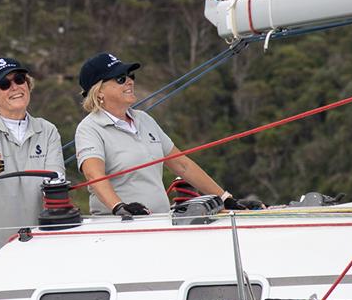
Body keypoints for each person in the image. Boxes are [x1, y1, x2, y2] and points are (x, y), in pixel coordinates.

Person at [75, 52, 262, 216]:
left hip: (159, 222)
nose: (130, 81)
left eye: (130, 75)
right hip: (118, 228)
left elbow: (182, 165)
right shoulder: (89, 129)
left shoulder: (144, 119)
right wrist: (119, 207)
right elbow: (94, 175)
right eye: (120, 79)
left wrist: (225, 198)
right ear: (99, 91)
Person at [0, 57, 65, 300]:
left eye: (19, 80)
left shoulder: (48, 130)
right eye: (5, 85)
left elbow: (56, 178)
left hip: (32, 248)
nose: (15, 87)